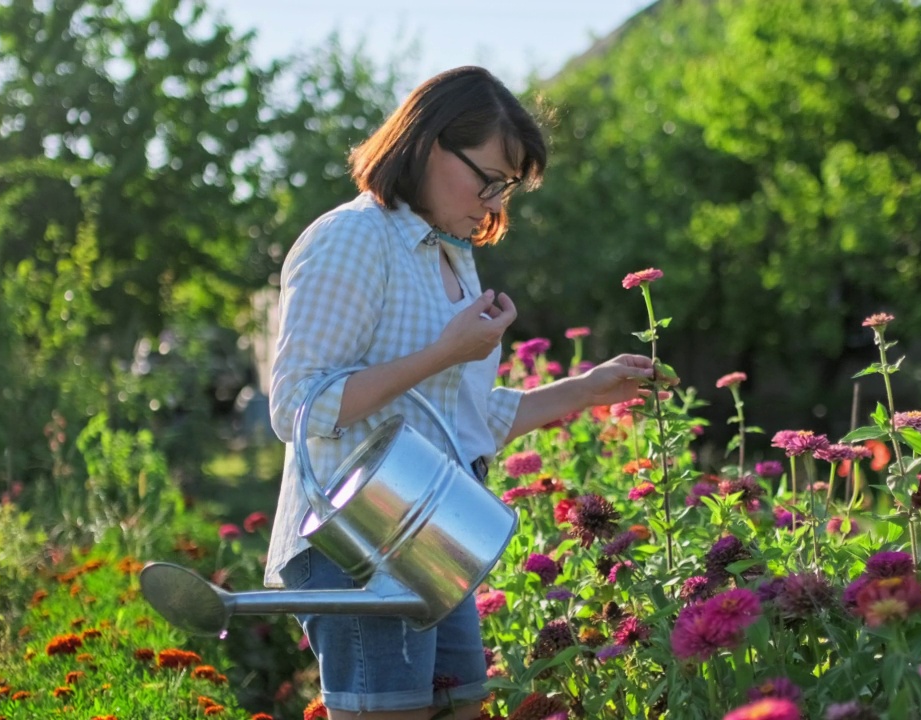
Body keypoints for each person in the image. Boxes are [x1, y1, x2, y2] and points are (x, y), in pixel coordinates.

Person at [264, 66, 661, 720]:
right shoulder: (352, 239)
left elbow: (460, 422)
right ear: (429, 142)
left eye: (508, 189)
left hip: (427, 538)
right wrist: (443, 352)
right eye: (490, 180)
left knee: (464, 707)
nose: (496, 205)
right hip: (357, 545)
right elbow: (298, 407)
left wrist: (587, 390)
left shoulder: (447, 253)